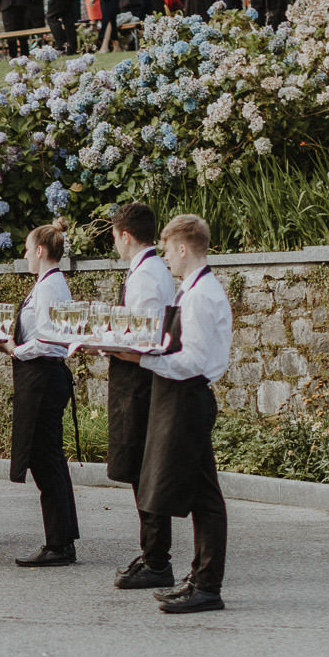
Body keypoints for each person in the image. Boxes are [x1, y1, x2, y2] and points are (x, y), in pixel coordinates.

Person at [128, 214, 232, 614]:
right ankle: (201, 579)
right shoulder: (192, 290)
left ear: (184, 248)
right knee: (202, 493)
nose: (166, 257)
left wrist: (143, 358)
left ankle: (208, 585)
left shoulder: (203, 295)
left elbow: (193, 360)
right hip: (183, 395)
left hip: (190, 396)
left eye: (169, 249)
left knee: (205, 497)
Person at [91, 203, 179, 591]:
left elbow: (144, 339)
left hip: (139, 383)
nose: (114, 241)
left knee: (144, 469)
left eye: (113, 234)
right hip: (138, 379)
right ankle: (152, 553)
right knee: (142, 469)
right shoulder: (150, 270)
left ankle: (157, 559)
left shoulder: (145, 277)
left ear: (125, 235)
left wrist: (99, 341)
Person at [5, 220, 80, 567]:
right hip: (39, 376)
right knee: (46, 456)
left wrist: (16, 350)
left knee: (44, 456)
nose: (24, 255)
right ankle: (62, 537)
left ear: (40, 251)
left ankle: (59, 543)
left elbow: (52, 336)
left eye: (26, 248)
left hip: (43, 376)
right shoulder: (47, 284)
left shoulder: (50, 287)